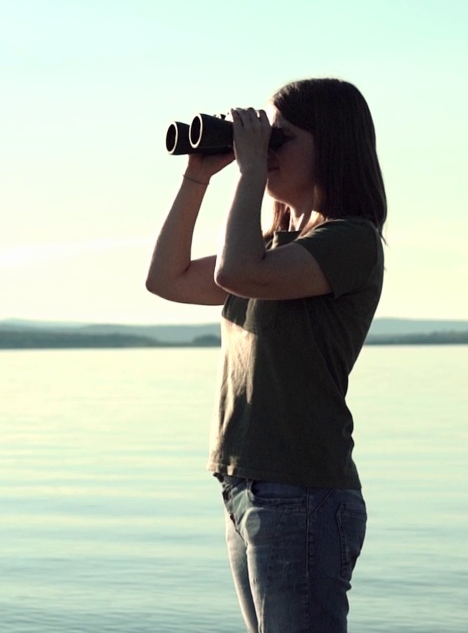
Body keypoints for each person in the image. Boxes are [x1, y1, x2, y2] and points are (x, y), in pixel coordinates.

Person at [145, 77, 387, 633]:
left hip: (300, 490)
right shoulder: (275, 249)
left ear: (330, 145)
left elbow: (237, 274)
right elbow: (167, 279)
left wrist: (251, 170)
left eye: (281, 138)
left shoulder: (350, 241)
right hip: (246, 487)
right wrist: (198, 175)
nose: (265, 148)